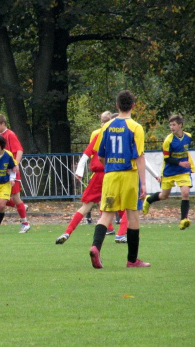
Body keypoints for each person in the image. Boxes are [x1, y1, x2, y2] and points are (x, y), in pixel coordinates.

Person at [89, 90, 150, 269]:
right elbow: (139, 156)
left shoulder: (106, 127)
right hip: (129, 176)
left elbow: (100, 155)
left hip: (111, 175)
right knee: (133, 216)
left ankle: (95, 247)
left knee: (106, 214)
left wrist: (110, 165)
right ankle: (132, 260)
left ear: (117, 106)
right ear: (133, 105)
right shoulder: (136, 127)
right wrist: (144, 184)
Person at [56, 111, 119, 245]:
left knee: (86, 206)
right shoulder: (121, 135)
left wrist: (79, 171)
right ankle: (121, 235)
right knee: (123, 206)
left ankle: (67, 232)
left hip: (99, 175)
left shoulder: (99, 135)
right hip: (114, 174)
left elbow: (86, 155)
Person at [143, 114, 194, 230]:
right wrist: (180, 162)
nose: (172, 127)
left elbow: (185, 152)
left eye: (174, 125)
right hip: (169, 171)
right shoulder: (168, 140)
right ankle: (149, 199)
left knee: (185, 193)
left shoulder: (188, 137)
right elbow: (167, 158)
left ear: (180, 125)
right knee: (164, 195)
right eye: (170, 125)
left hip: (183, 171)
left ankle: (183, 220)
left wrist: (187, 163)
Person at [0, 114, 31, 233]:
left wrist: (15, 164)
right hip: (1, 172)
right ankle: (21, 207)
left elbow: (19, 150)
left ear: (3, 123)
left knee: (15, 197)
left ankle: (25, 223)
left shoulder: (10, 135)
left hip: (11, 172)